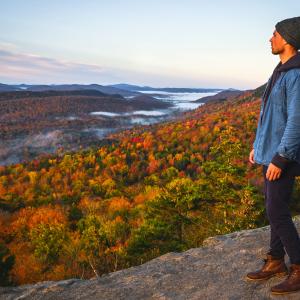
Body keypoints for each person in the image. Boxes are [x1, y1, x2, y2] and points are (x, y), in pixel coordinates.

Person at [246, 16, 300, 295]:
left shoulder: (296, 74)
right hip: (271, 151)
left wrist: (280, 158)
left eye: (275, 34)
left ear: (288, 39)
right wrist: (259, 146)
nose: (270, 38)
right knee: (272, 205)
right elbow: (269, 115)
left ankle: (299, 268)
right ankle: (276, 260)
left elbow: (296, 121)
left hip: (284, 155)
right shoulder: (280, 70)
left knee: (276, 210)